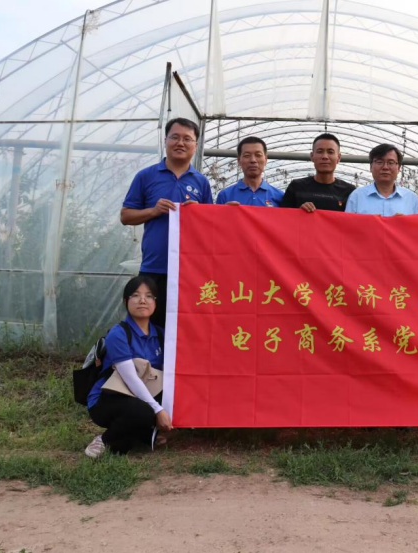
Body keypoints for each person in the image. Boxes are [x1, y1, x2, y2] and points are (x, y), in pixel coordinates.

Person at [120, 118, 213, 328]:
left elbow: (210, 227)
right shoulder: (146, 176)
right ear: (165, 141)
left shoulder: (201, 182)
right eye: (175, 137)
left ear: (195, 145)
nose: (180, 143)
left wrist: (199, 213)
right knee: (148, 326)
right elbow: (125, 216)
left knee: (185, 328)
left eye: (187, 139)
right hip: (154, 268)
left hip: (189, 269)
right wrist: (153, 211)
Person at [85, 276, 173, 458]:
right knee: (143, 412)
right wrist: (158, 410)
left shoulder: (162, 335)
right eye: (136, 295)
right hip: (107, 398)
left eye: (149, 296)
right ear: (126, 301)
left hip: (140, 395)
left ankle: (140, 435)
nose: (143, 300)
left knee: (124, 446)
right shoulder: (118, 334)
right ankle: (104, 440)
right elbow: (130, 378)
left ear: (156, 302)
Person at [280, 133, 355, 212]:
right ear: (312, 156)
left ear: (338, 158)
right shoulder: (296, 187)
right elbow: (283, 216)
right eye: (320, 151)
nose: (325, 156)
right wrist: (298, 212)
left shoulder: (349, 191)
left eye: (330, 152)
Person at [345, 144, 418, 216]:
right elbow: (348, 224)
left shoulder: (411, 199)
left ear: (398, 168)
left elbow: (417, 225)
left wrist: (404, 222)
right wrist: (368, 222)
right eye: (379, 162)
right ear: (371, 167)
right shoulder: (357, 197)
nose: (385, 167)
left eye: (391, 162)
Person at [216, 137, 284, 207]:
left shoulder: (279, 196)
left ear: (265, 159)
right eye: (247, 156)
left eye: (258, 155)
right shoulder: (225, 195)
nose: (253, 160)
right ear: (239, 160)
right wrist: (225, 211)